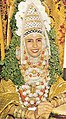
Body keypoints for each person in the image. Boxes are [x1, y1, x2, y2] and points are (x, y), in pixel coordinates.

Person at [0, 0, 66, 119]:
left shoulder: (50, 69)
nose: (35, 45)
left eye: (39, 40)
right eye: (29, 40)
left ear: (45, 42)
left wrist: (50, 104)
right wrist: (28, 114)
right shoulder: (12, 70)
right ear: (22, 44)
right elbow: (5, 101)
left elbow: (63, 90)